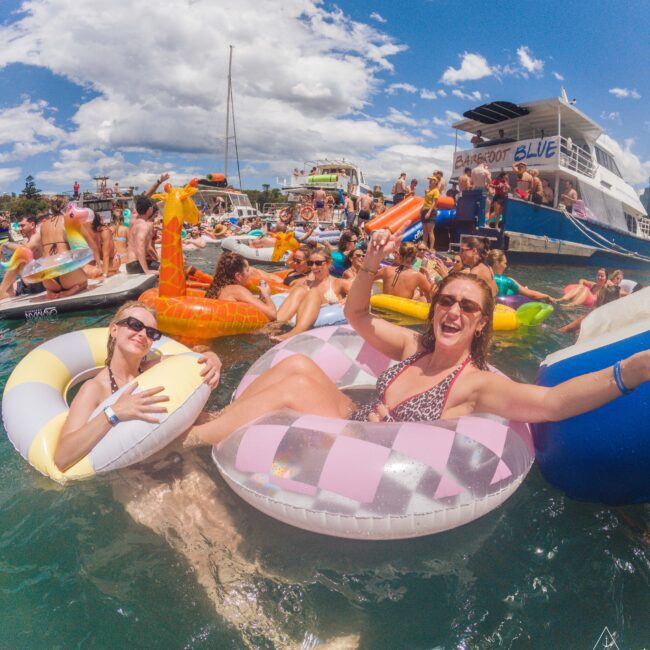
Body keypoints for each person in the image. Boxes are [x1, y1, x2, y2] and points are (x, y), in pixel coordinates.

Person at [188, 229, 650, 444]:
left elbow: (551, 404)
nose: (453, 312)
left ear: (481, 322)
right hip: (352, 419)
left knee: (291, 382)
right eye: (446, 302)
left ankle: (188, 444)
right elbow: (357, 314)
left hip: (369, 453)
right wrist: (370, 263)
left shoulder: (475, 383)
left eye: (467, 307)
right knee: (296, 365)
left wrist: (632, 369)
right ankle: (210, 423)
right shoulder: (414, 348)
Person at [54, 301, 222, 472]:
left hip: (180, 460)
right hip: (138, 478)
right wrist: (114, 412)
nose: (142, 334)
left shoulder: (155, 367)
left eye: (151, 333)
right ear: (114, 330)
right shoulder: (95, 388)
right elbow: (62, 457)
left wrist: (213, 358)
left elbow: (197, 355)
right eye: (135, 325)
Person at [270, 247, 351, 341]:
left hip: (323, 322)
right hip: (300, 314)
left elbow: (360, 296)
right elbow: (286, 295)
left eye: (318, 263)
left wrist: (348, 298)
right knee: (300, 290)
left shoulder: (339, 283)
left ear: (329, 263)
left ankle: (296, 332)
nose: (313, 267)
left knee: (313, 291)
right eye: (310, 263)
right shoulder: (305, 283)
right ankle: (274, 327)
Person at [39, 197, 90, 298]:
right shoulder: (68, 222)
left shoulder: (43, 225)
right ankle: (70, 291)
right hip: (66, 273)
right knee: (85, 282)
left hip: (49, 279)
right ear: (67, 207)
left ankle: (51, 292)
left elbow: (42, 251)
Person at [204, 253, 277, 320]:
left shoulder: (216, 289)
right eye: (247, 270)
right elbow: (273, 315)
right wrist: (267, 295)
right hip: (266, 329)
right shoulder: (237, 290)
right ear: (238, 276)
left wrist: (260, 297)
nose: (250, 273)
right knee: (289, 299)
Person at [0, 215, 44, 299]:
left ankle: (1, 292)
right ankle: (4, 292)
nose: (20, 228)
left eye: (22, 225)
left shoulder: (37, 237)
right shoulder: (25, 241)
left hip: (40, 282)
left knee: (21, 255)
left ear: (32, 225)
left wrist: (6, 244)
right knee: (9, 288)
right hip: (27, 283)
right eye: (19, 226)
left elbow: (26, 250)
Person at [486, 250, 555, 303]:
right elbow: (532, 295)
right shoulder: (506, 281)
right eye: (504, 263)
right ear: (497, 263)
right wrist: (547, 297)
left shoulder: (480, 276)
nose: (506, 266)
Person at [126, 197, 159, 275]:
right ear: (150, 209)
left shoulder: (136, 223)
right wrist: (146, 271)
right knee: (166, 269)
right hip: (135, 265)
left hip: (132, 264)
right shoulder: (143, 226)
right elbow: (140, 248)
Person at [85, 210, 120, 279]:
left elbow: (106, 255)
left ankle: (110, 271)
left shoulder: (105, 232)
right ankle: (109, 271)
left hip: (112, 260)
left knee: (93, 272)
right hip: (101, 261)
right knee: (85, 270)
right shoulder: (91, 232)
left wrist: (104, 275)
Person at [420, 175, 440, 250]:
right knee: (424, 231)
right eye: (430, 180)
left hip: (431, 211)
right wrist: (422, 209)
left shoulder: (436, 191)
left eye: (432, 180)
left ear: (435, 182)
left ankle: (431, 248)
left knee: (430, 231)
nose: (430, 181)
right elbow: (425, 201)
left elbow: (434, 203)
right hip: (424, 210)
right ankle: (424, 246)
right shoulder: (428, 190)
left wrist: (429, 212)